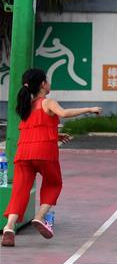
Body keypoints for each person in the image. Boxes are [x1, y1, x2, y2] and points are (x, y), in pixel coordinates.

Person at [2, 68, 102, 247]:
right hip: (44, 153)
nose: (49, 83)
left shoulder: (26, 106)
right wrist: (89, 109)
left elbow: (34, 129)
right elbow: (63, 114)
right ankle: (39, 217)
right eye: (47, 81)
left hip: (23, 153)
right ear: (43, 84)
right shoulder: (47, 102)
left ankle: (9, 227)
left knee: (20, 190)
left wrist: (55, 135)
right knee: (53, 183)